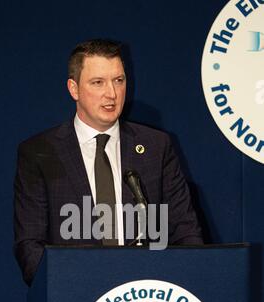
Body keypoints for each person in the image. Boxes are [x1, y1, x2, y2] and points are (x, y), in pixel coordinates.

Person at [14, 39, 203, 286]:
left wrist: (186, 283)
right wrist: (67, 291)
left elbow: (185, 231)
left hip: (150, 296)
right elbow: (29, 246)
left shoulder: (157, 147)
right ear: (74, 89)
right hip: (75, 300)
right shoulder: (40, 152)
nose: (112, 94)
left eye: (119, 81)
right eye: (98, 82)